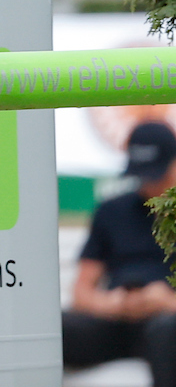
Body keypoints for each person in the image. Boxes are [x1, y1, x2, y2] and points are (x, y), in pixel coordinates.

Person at [65, 120, 176, 385]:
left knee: (166, 333)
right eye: (142, 175)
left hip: (167, 321)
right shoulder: (112, 210)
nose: (149, 185)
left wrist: (165, 302)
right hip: (117, 320)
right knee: (56, 330)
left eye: (156, 175)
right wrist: (113, 303)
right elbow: (81, 292)